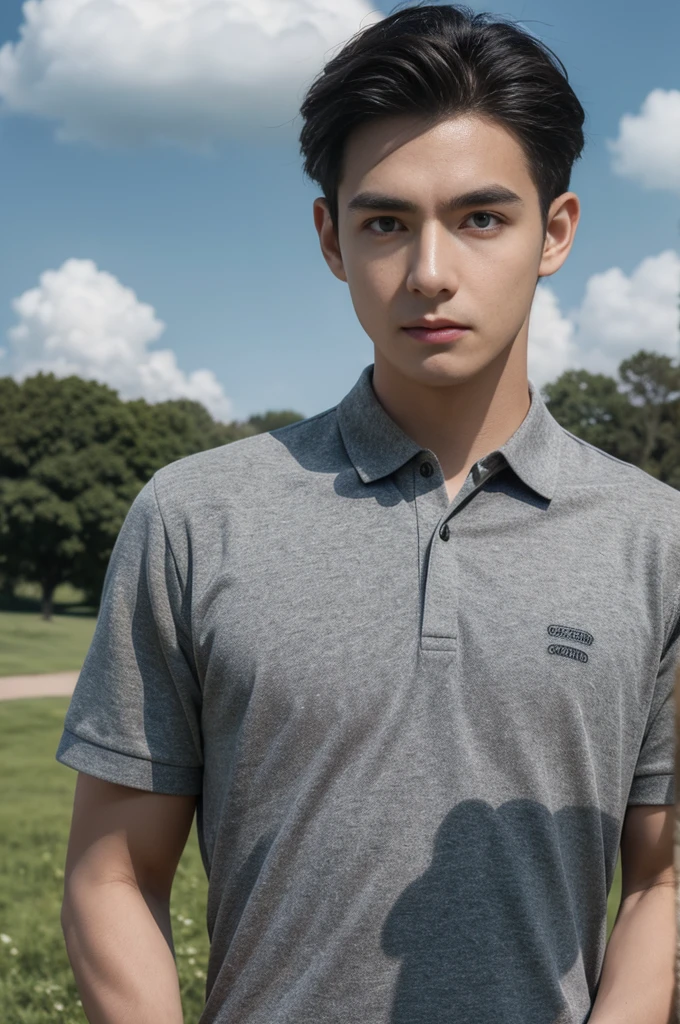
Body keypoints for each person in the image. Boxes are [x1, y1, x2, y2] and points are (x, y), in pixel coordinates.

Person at [56, 5, 677, 1023]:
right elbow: (111, 873)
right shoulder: (194, 516)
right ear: (329, 238)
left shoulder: (658, 543)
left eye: (480, 217)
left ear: (552, 232)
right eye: (384, 221)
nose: (428, 270)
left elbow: (661, 877)